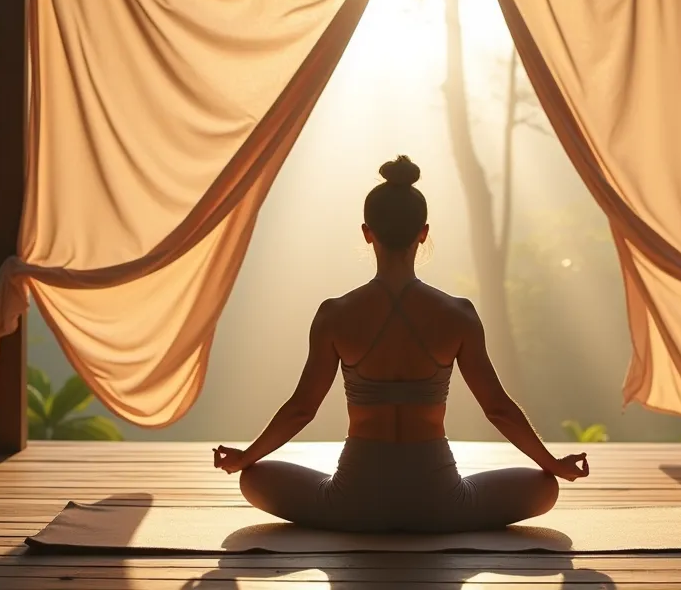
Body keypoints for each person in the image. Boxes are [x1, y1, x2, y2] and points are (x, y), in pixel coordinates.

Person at [211, 155, 588, 533]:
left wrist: (246, 456)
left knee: (253, 478)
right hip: (439, 503)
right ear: (423, 232)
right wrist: (552, 463)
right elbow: (498, 409)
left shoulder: (334, 315)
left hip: (352, 502)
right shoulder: (457, 314)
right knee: (544, 488)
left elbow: (301, 410)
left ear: (367, 232)